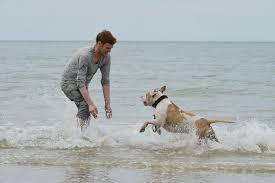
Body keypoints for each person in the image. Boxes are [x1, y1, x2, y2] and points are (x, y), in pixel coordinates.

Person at [61, 30, 116, 130]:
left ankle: (80, 134)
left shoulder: (106, 58)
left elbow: (105, 81)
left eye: (111, 49)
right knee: (86, 106)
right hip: (68, 83)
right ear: (99, 43)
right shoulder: (85, 56)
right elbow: (80, 82)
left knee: (89, 110)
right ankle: (77, 135)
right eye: (107, 48)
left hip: (82, 85)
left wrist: (107, 104)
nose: (109, 51)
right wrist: (90, 104)